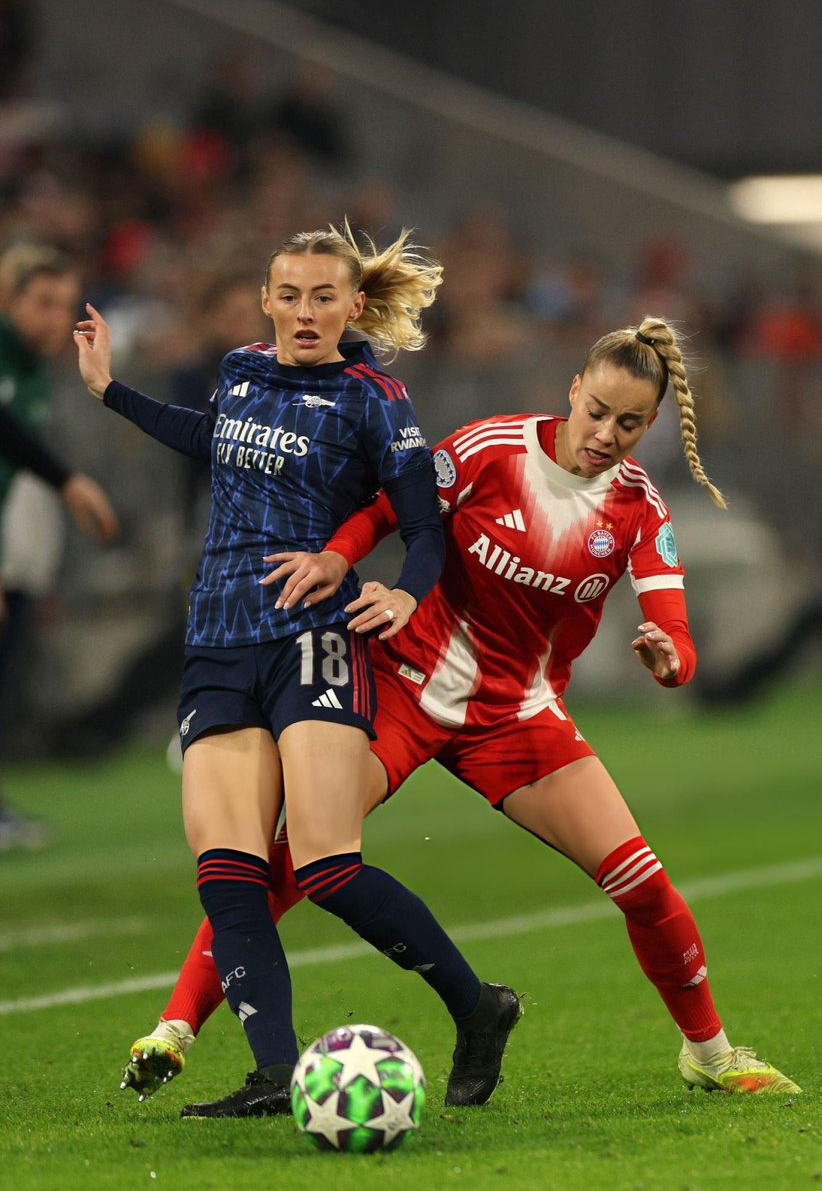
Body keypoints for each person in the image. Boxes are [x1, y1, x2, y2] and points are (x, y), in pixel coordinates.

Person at [121, 316, 798, 1101]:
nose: (608, 434)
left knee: (644, 884)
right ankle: (175, 1027)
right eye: (599, 412)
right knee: (302, 856)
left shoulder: (641, 512)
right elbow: (389, 509)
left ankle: (710, 1053)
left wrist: (669, 657)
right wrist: (341, 554)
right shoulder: (489, 449)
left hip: (517, 715)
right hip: (401, 687)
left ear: (650, 424)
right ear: (573, 391)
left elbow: (674, 632)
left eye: (630, 423)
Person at [74, 223, 520, 1119]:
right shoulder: (240, 370)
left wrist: (403, 595)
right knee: (229, 870)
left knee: (324, 865)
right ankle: (274, 1074)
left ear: (354, 306)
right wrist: (109, 390)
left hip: (315, 637)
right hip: (218, 638)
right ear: (267, 301)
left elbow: (424, 524)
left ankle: (478, 1008)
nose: (306, 312)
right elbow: (212, 439)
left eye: (325, 296)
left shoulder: (374, 397)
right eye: (291, 295)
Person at [0, 245, 118, 849]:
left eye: (66, 306)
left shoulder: (27, 368)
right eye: (43, 303)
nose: (56, 319)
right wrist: (68, 481)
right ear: (7, 299)